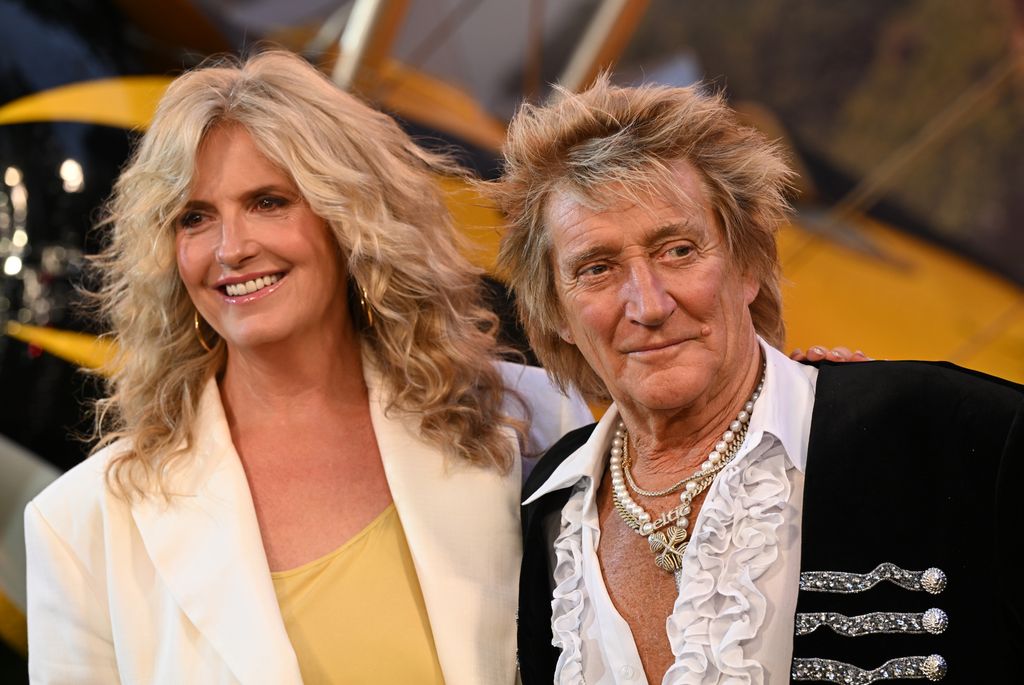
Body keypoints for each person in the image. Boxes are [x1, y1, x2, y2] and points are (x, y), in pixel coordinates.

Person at [23, 50, 594, 685]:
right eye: (194, 217)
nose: (232, 249)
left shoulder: (531, 418)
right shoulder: (82, 522)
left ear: (345, 217)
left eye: (268, 202)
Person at [491, 77, 1024, 684]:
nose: (648, 303)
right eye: (598, 267)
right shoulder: (551, 513)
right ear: (555, 312)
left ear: (748, 265)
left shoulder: (943, 430)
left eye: (678, 250)